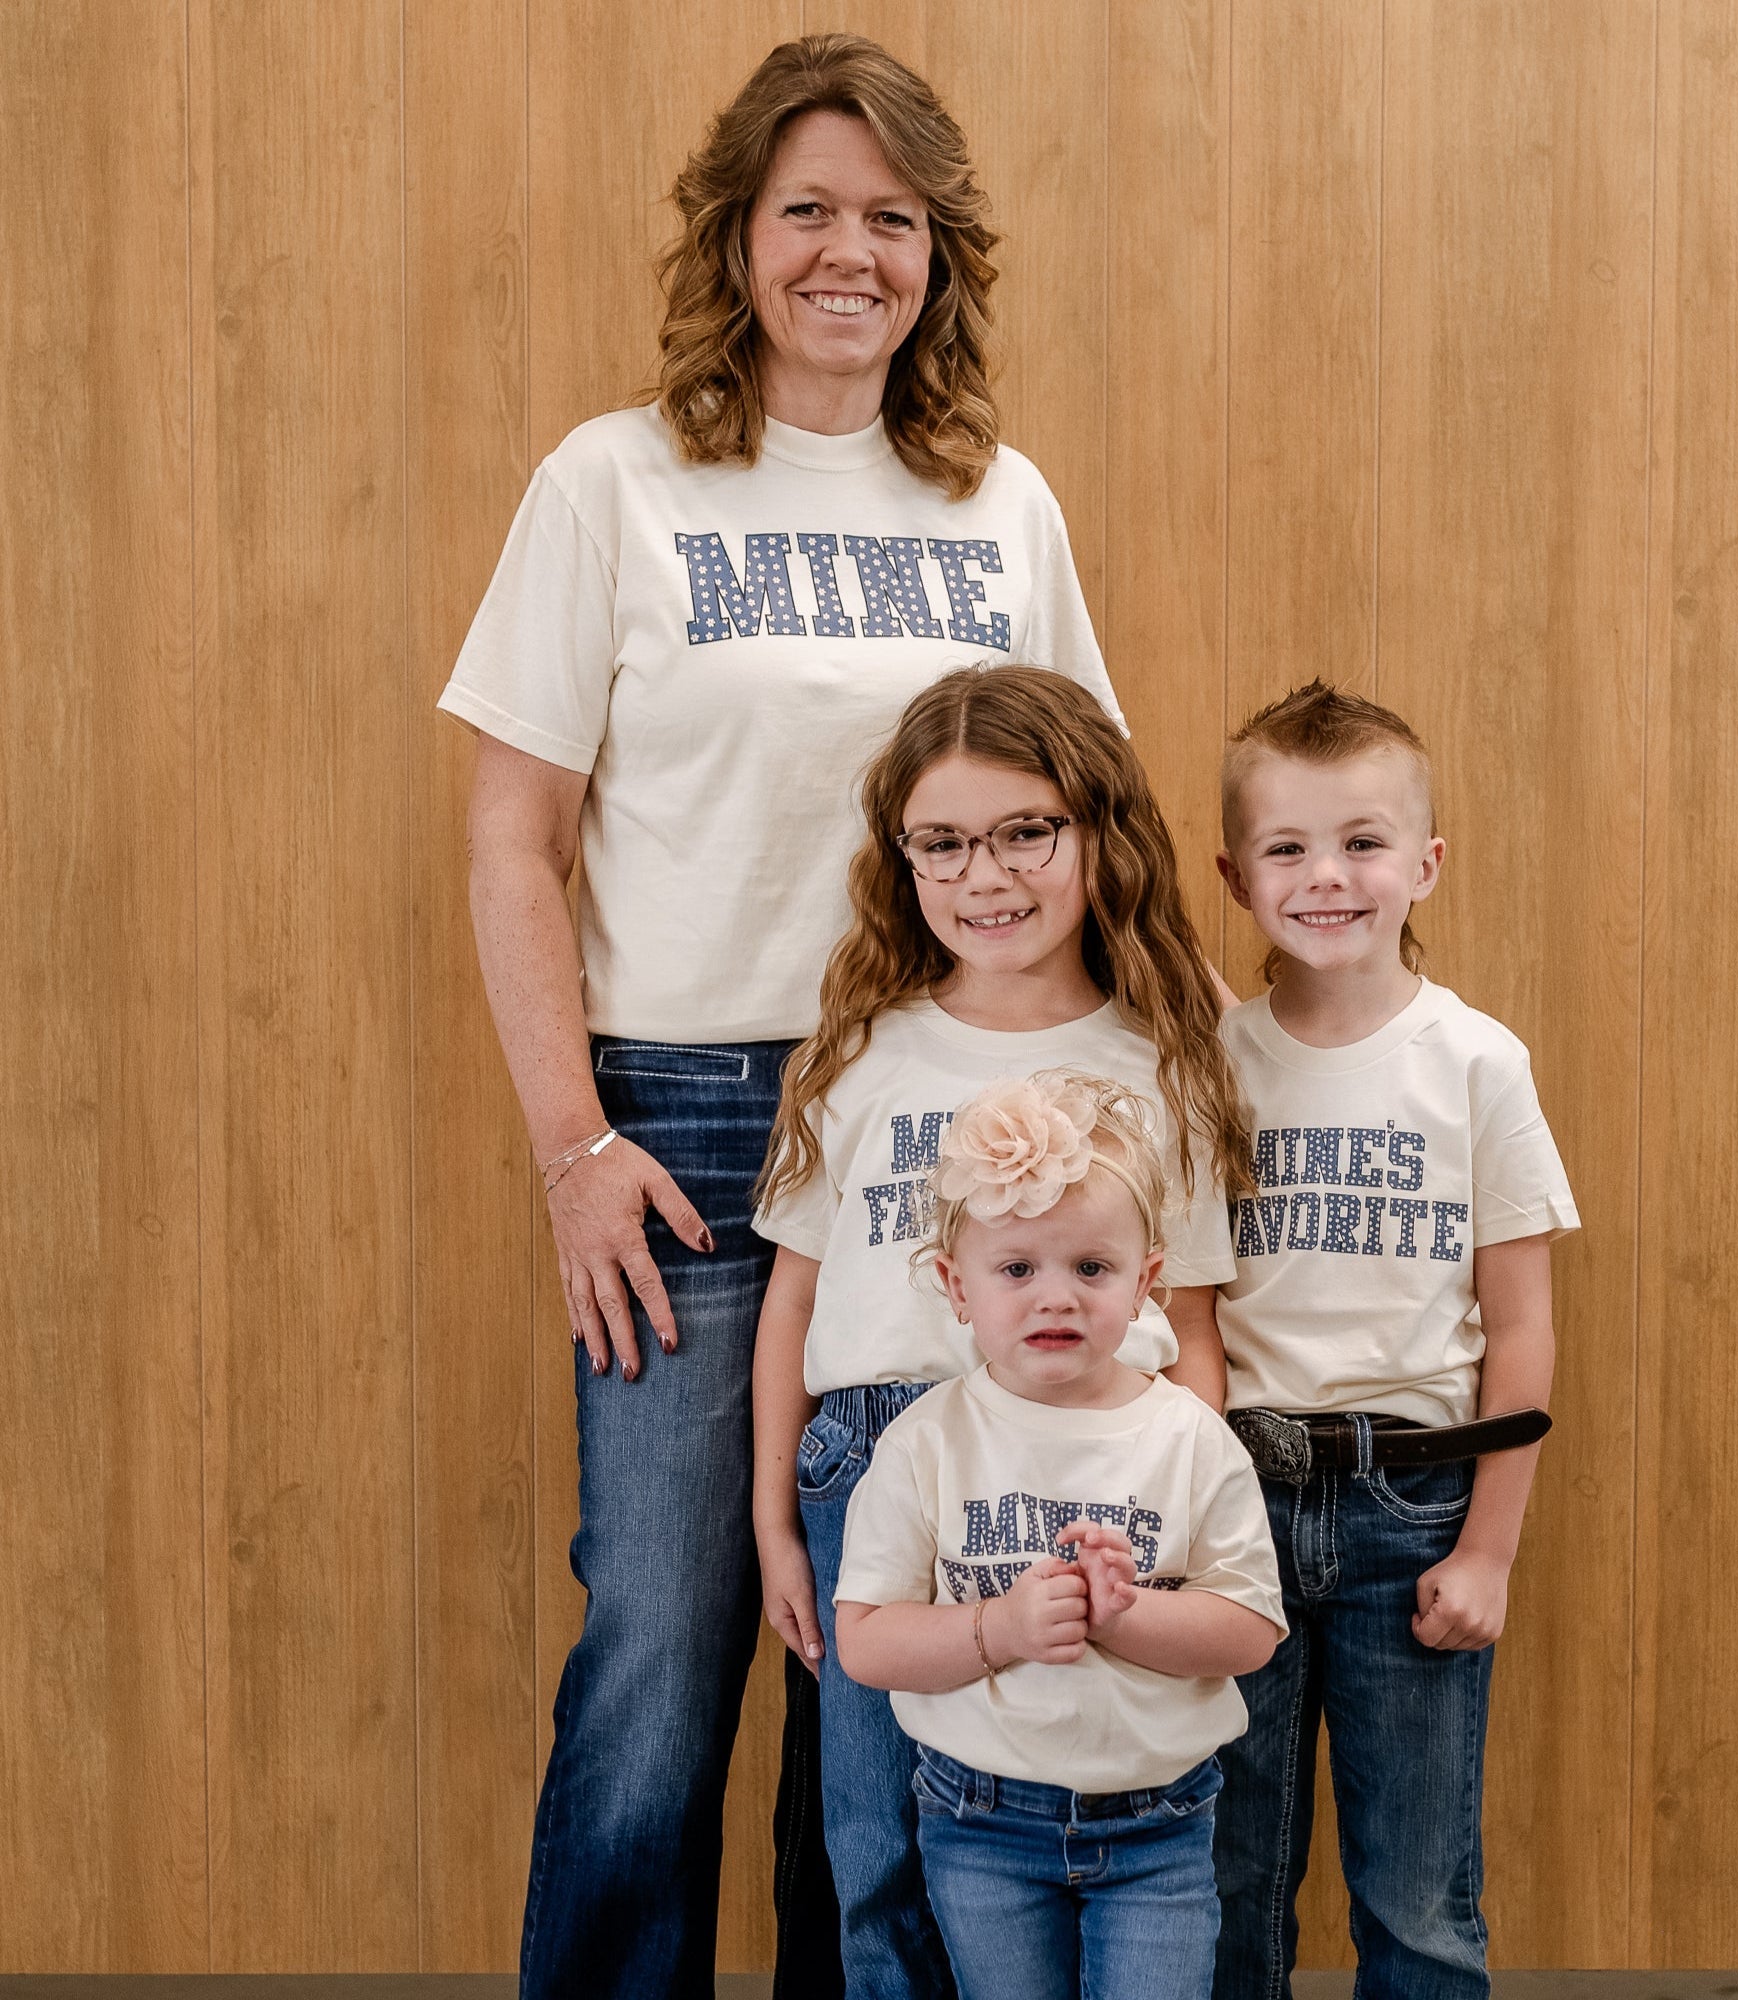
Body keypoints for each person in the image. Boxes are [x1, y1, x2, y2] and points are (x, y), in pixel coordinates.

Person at [438, 33, 1121, 1997]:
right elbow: (513, 840)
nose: (848, 253)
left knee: (884, 1642)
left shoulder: (998, 505)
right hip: (681, 1122)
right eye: (807, 208)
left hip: (943, 1119)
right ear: (738, 235)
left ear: (938, 253)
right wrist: (573, 1146)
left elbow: (1087, 821)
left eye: (891, 218)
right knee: (662, 1641)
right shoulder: (615, 481)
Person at [750, 665, 1251, 1996]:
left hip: (1088, 1462)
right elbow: (794, 1298)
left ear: (1099, 832)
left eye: (1026, 831)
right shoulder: (862, 1048)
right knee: (880, 1851)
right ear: (902, 858)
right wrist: (772, 1524)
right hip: (872, 1458)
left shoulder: (1164, 1057)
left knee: (1062, 1821)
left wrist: (1170, 1492)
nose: (986, 875)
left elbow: (1190, 1326)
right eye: (944, 842)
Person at [1205, 682, 1579, 2000]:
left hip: (1414, 1508)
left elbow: (1520, 1327)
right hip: (1237, 1500)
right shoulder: (1208, 1064)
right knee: (1226, 1877)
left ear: (1425, 863)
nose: (1326, 876)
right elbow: (1185, 1309)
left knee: (1417, 1892)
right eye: (1287, 847)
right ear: (1235, 877)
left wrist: (1488, 1550)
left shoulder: (1476, 1062)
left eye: (1362, 842)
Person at [832, 1071, 1286, 2000]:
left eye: (1090, 1268)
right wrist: (1000, 1629)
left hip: (1160, 1830)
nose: (1056, 1299)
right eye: (1017, 1270)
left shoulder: (1192, 1438)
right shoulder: (924, 1444)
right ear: (956, 1286)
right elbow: (866, 1641)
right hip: (981, 1823)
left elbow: (1250, 1633)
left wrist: (1123, 1617)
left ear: (1146, 1283)